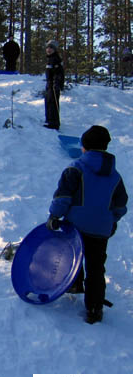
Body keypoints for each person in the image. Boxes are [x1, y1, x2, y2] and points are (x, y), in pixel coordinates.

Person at [47, 125, 128, 324]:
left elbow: (63, 197)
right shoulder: (115, 176)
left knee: (74, 255)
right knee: (96, 267)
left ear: (84, 147)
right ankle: (95, 308)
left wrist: (54, 216)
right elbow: (120, 204)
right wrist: (111, 221)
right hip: (101, 229)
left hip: (76, 225)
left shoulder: (75, 169)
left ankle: (74, 284)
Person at [44, 40, 64, 130]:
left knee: (53, 103)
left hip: (53, 85)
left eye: (51, 48)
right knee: (48, 102)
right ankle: (49, 120)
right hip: (49, 84)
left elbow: (58, 73)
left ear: (55, 49)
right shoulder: (50, 59)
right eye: (48, 47)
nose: (49, 49)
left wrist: (56, 84)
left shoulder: (55, 59)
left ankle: (54, 123)